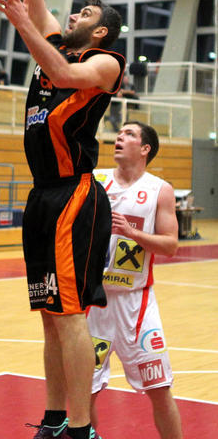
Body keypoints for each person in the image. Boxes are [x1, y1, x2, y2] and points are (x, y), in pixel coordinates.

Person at [0, 0, 124, 439]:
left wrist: (24, 25)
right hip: (42, 195)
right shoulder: (56, 43)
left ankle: (82, 427)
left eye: (85, 12)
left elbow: (65, 74)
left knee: (69, 315)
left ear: (101, 30)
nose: (73, 15)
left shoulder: (106, 63)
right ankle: (52, 418)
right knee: (49, 314)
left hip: (75, 194)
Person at [88, 122, 182, 439]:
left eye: (129, 134)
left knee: (159, 387)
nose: (119, 137)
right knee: (84, 390)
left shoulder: (159, 189)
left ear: (145, 149)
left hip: (137, 306)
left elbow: (171, 245)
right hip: (94, 302)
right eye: (119, 133)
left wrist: (132, 233)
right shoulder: (95, 181)